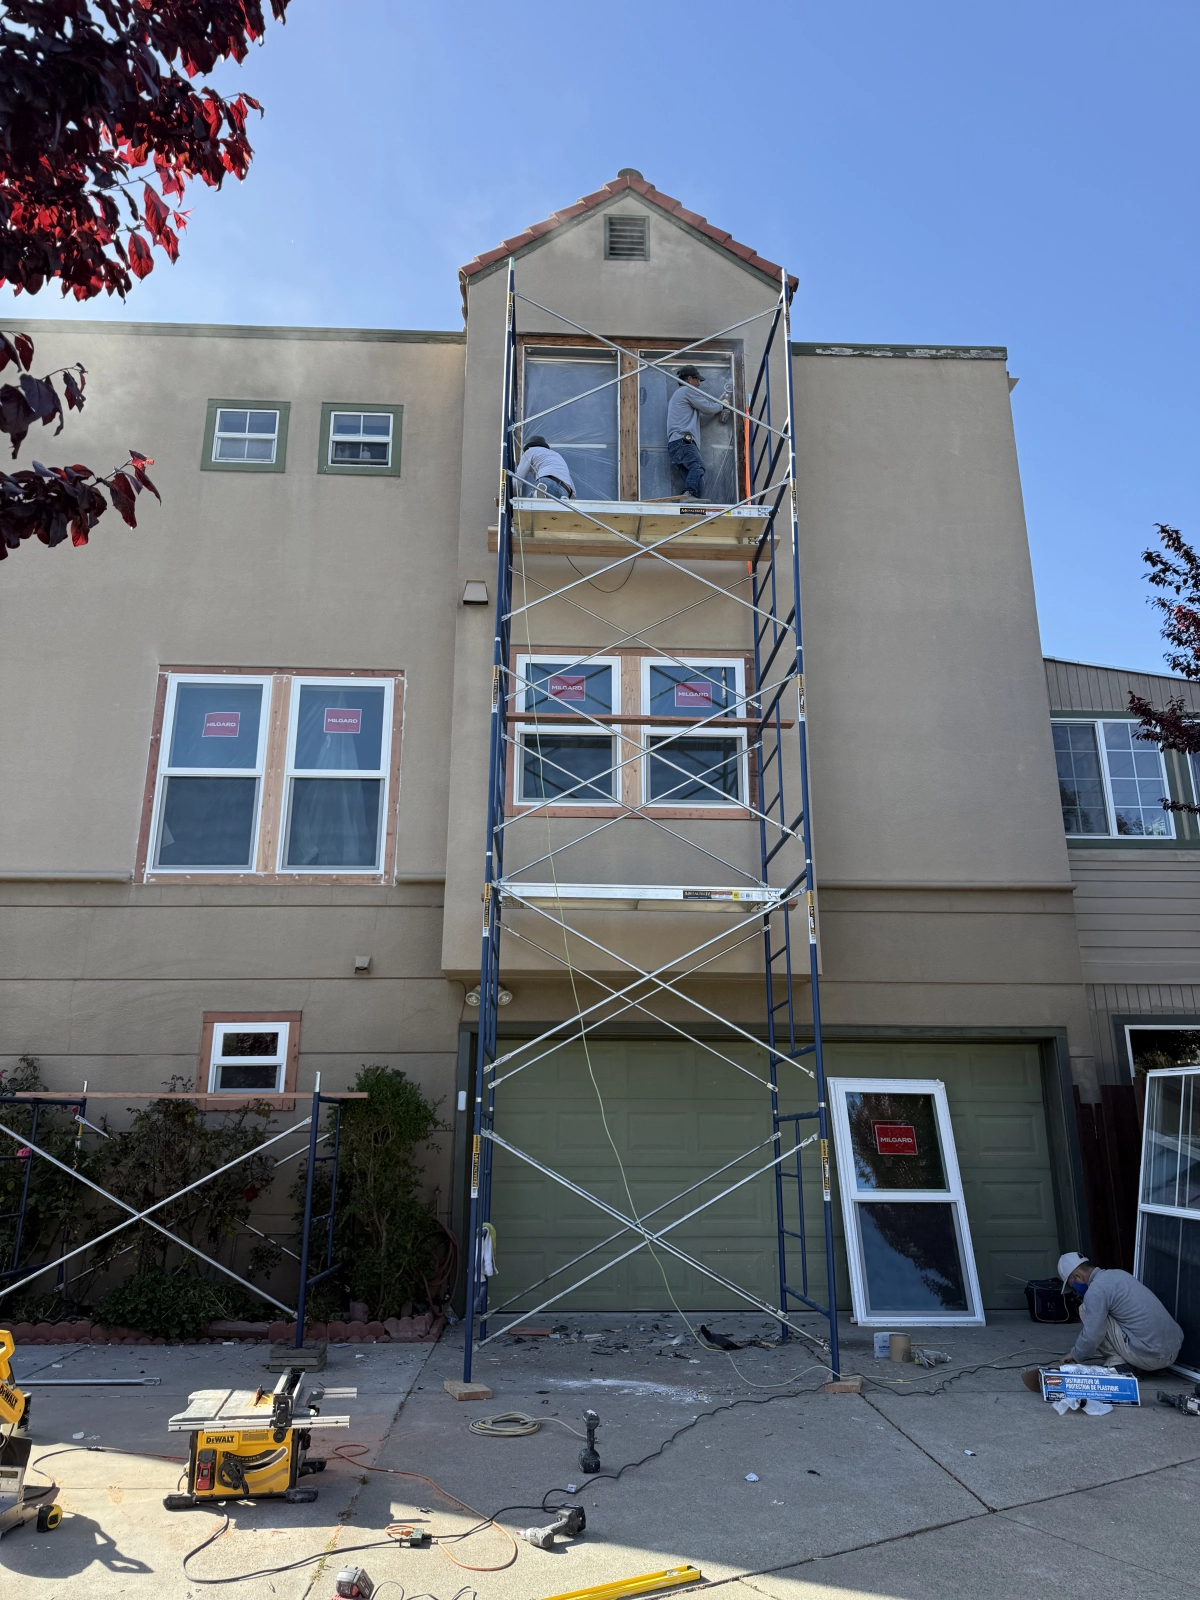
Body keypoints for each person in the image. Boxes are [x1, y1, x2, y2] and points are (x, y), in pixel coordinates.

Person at [1058, 1251, 1183, 1371]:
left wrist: (1075, 1355)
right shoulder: (1119, 1274)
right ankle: (1140, 1362)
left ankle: (1119, 1364)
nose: (1075, 1291)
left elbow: (1092, 1335)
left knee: (1085, 1309)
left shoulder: (1095, 1291)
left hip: (1150, 1357)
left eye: (1072, 1285)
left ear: (1078, 1276)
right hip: (1172, 1353)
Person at [665, 366, 730, 501]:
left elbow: (703, 420)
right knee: (698, 466)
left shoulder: (681, 397)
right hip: (683, 440)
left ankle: (692, 500)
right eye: (697, 380)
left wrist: (716, 408)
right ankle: (689, 495)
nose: (699, 384)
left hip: (676, 444)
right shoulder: (685, 390)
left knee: (694, 476)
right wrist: (723, 405)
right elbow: (707, 407)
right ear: (689, 379)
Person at [513, 435, 574, 500]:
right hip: (565, 489)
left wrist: (511, 493)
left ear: (528, 447)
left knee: (527, 503)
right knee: (553, 507)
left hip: (546, 482)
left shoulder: (530, 451)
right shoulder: (556, 455)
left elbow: (518, 478)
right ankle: (563, 497)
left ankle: (538, 493)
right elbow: (572, 487)